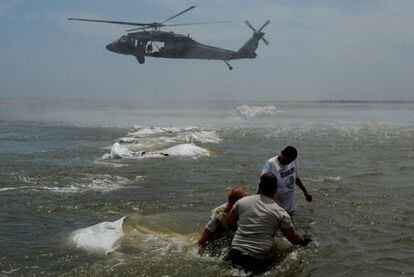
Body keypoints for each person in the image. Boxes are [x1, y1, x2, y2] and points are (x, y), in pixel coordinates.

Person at [227, 173, 312, 274]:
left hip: (235, 252)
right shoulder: (280, 213)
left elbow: (230, 223)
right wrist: (305, 241)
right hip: (257, 258)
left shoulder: (242, 202)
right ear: (275, 190)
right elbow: (293, 238)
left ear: (259, 186)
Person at [261, 146, 312, 215]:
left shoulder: (292, 161)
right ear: (282, 153)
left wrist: (305, 192)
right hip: (275, 207)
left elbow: (296, 178)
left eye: (289, 161)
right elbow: (263, 183)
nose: (287, 163)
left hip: (289, 206)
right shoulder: (271, 164)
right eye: (286, 160)